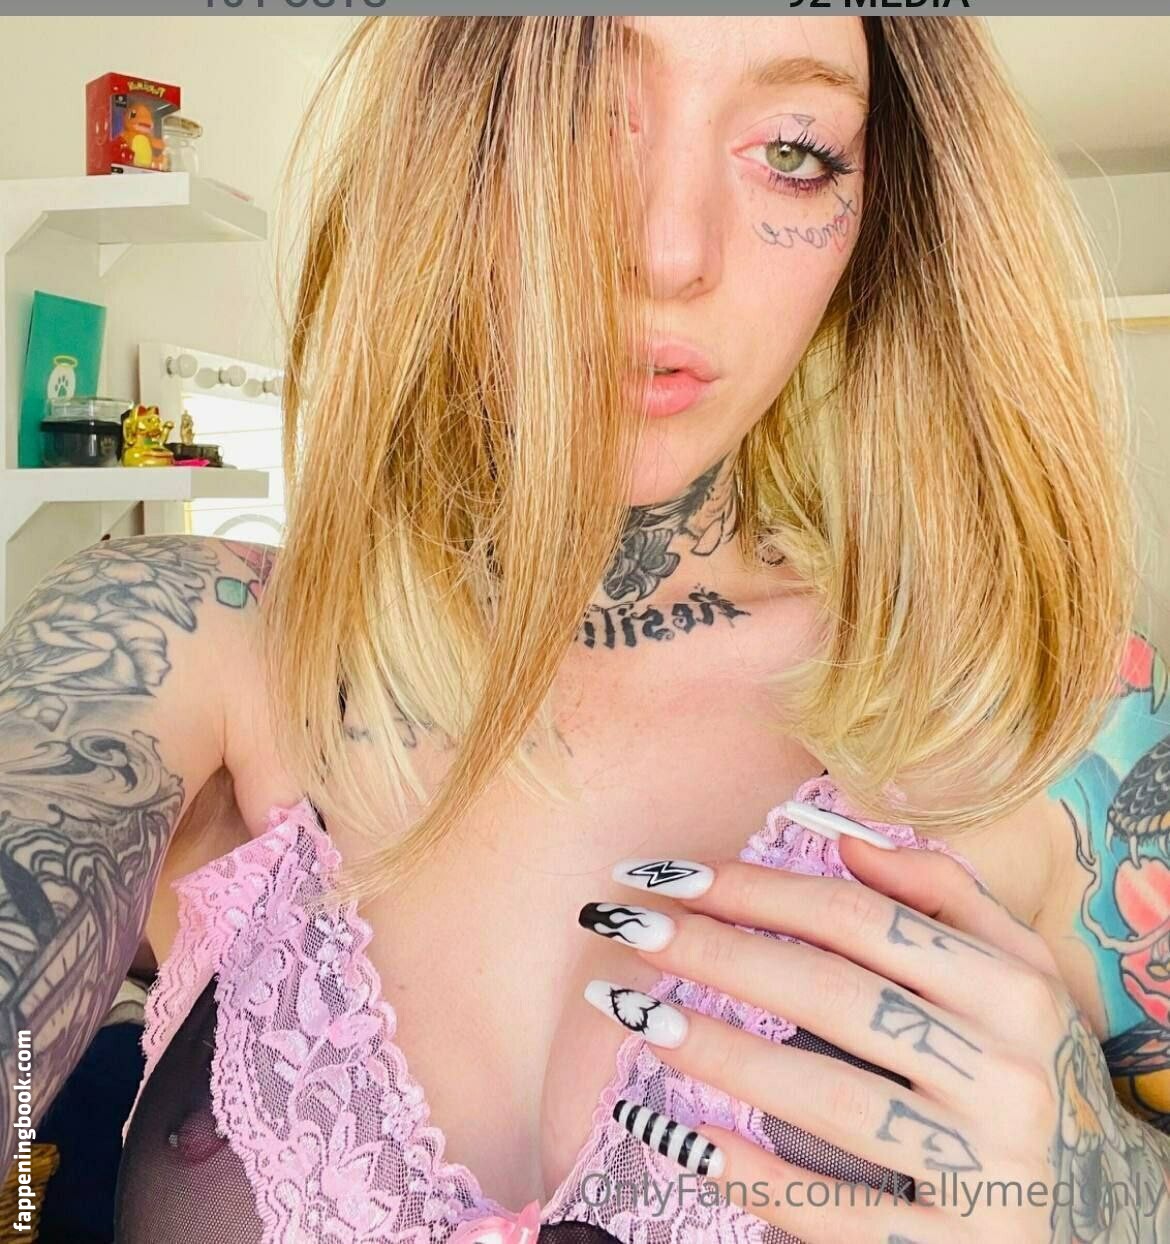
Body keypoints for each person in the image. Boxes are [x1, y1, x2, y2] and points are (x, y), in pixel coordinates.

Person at [2, 14, 1168, 1243]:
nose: (669, 252)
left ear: (879, 213)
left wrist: (1116, 1198)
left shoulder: (1049, 714)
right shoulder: (176, 647)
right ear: (450, 142)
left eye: (793, 149)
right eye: (578, 119)